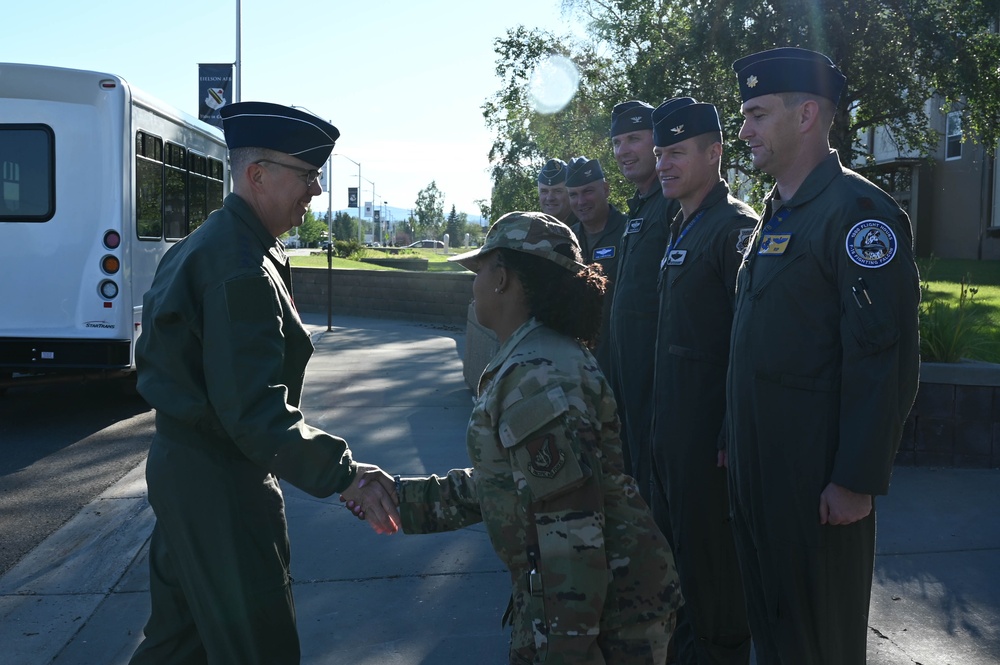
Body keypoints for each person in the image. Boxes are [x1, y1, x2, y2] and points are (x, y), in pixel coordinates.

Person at [129, 102, 399, 664]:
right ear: (258, 175)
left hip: (190, 474)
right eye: (307, 175)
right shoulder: (240, 267)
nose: (317, 190)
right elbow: (252, 412)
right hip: (223, 486)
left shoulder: (218, 245)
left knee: (180, 645)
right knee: (260, 647)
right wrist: (344, 475)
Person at [353, 211, 683, 663]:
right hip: (593, 604)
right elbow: (511, 480)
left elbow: (571, 532)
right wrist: (402, 499)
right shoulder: (536, 357)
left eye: (479, 271)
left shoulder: (535, 376)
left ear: (503, 279)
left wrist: (569, 650)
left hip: (606, 618)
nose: (474, 284)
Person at [726, 48, 920, 664]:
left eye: (756, 114)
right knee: (774, 636)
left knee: (818, 645)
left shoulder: (858, 214)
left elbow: (883, 360)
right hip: (761, 475)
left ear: (806, 114)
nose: (744, 130)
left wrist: (856, 480)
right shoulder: (777, 216)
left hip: (816, 487)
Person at [648, 98, 756, 664]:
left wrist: (728, 432)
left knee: (715, 584)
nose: (664, 163)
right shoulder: (684, 222)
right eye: (661, 152)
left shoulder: (734, 229)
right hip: (673, 437)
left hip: (708, 445)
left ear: (714, 153)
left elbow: (750, 344)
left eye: (678, 152)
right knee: (679, 575)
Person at [606, 99, 680, 500]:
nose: (623, 151)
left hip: (657, 385)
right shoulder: (640, 208)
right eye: (617, 142)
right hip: (627, 382)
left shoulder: (671, 206)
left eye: (634, 138)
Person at [565, 155, 626, 379]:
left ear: (606, 189)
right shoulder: (566, 239)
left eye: (588, 191)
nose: (581, 201)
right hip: (577, 360)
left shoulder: (630, 233)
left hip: (620, 357)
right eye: (574, 194)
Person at [537, 158, 578, 226]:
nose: (550, 198)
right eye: (544, 191)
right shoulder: (535, 228)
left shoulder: (586, 228)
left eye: (557, 191)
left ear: (571, 194)